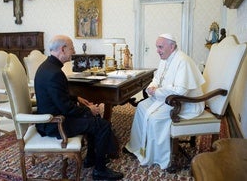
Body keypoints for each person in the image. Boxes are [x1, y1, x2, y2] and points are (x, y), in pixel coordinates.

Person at [34, 35, 123, 180]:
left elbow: (59, 96)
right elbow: (67, 109)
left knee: (95, 119)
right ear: (62, 50)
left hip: (55, 117)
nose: (73, 51)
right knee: (103, 125)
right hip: (55, 123)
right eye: (72, 48)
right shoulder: (54, 73)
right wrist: (89, 109)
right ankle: (100, 171)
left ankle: (91, 158)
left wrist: (78, 98)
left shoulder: (48, 67)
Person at [124, 33, 205, 170]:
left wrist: (157, 92)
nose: (157, 50)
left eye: (160, 47)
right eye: (157, 47)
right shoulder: (165, 59)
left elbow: (180, 91)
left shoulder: (182, 61)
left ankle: (158, 156)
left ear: (172, 47)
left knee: (155, 118)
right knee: (141, 107)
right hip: (167, 98)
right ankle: (137, 146)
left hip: (186, 103)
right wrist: (151, 88)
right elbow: (156, 79)